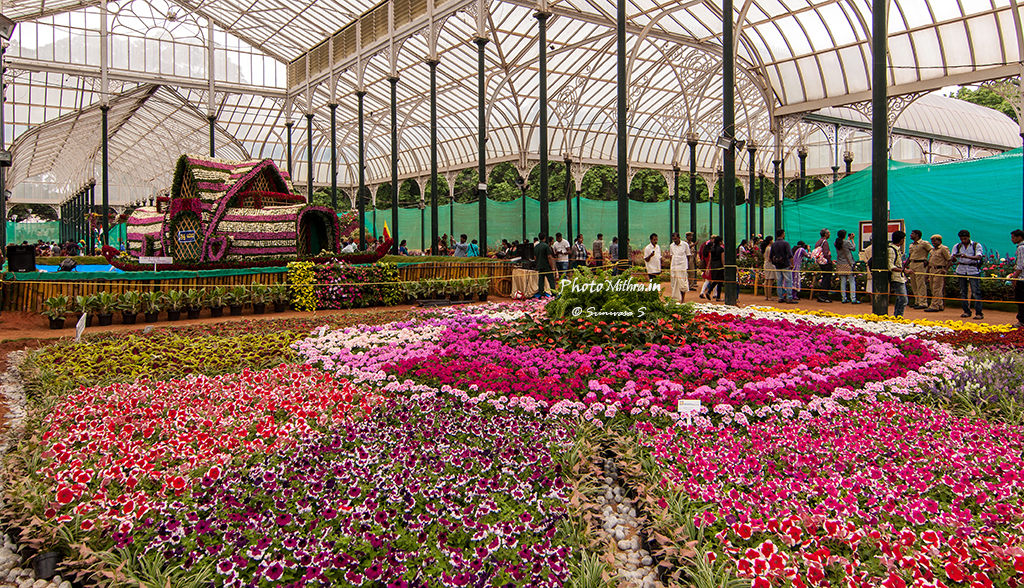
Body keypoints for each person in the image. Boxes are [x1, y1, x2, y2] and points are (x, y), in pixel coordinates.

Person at [952, 229, 984, 319]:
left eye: (965, 238)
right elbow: (953, 258)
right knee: (963, 291)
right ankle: (966, 311)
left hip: (973, 269)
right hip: (961, 269)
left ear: (969, 237)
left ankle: (979, 313)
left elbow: (979, 256)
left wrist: (967, 256)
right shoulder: (957, 246)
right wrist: (954, 257)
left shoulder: (976, 245)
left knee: (976, 292)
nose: (963, 240)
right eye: (962, 239)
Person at [924, 235, 952, 313]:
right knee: (933, 288)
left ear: (939, 241)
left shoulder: (943, 249)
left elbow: (949, 260)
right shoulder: (932, 250)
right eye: (932, 241)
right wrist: (927, 273)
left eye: (935, 241)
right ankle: (940, 304)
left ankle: (934, 305)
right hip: (932, 270)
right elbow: (930, 262)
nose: (933, 243)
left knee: (937, 288)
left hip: (939, 270)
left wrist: (945, 270)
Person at [888, 230, 913, 318]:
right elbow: (890, 266)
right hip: (896, 277)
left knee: (900, 299)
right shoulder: (891, 250)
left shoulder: (896, 249)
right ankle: (898, 316)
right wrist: (903, 270)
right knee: (903, 299)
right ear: (901, 240)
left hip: (899, 277)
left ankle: (897, 316)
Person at [907, 230, 933, 309]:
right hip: (912, 263)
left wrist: (928, 261)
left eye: (912, 234)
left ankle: (923, 302)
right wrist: (905, 265)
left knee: (920, 283)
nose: (910, 235)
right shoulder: (911, 245)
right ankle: (917, 301)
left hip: (920, 263)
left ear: (917, 235)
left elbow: (932, 252)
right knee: (913, 283)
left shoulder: (924, 243)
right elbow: (910, 256)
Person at [770, 229, 795, 303]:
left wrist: (775, 262)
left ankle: (780, 297)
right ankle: (789, 297)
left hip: (778, 265)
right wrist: (792, 264)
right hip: (785, 264)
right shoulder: (786, 243)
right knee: (788, 281)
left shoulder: (774, 244)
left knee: (779, 281)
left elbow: (771, 256)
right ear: (782, 234)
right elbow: (790, 255)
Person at [834, 229, 857, 303]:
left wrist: (848, 239)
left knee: (843, 281)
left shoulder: (836, 243)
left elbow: (843, 244)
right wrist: (852, 240)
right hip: (848, 263)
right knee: (851, 281)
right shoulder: (847, 243)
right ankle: (853, 298)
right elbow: (853, 248)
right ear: (844, 235)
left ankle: (844, 298)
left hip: (840, 263)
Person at [533, 232, 557, 297]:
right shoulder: (546, 246)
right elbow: (549, 257)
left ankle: (541, 294)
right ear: (545, 238)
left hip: (540, 266)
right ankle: (553, 293)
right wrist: (552, 267)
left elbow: (535, 258)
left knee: (541, 281)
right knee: (551, 280)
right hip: (547, 266)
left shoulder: (536, 247)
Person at [813, 228, 833, 303]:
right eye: (828, 233)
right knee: (827, 279)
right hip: (825, 263)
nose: (829, 234)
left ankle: (822, 295)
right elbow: (826, 253)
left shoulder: (818, 242)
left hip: (820, 262)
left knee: (825, 278)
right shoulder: (825, 242)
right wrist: (829, 261)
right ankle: (823, 296)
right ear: (825, 234)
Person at [1009, 230, 1024, 328]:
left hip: (1022, 278)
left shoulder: (1021, 248)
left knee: (1020, 300)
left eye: (1013, 237)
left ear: (1019, 237)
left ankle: (1022, 321)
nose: (1012, 239)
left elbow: (1021, 265)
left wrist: (1015, 278)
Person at [669, 232, 690, 302]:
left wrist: (686, 266)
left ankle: (683, 300)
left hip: (682, 268)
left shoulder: (685, 245)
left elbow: (688, 256)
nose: (674, 240)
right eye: (673, 239)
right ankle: (675, 300)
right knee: (674, 284)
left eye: (675, 239)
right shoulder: (671, 246)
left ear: (679, 238)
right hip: (674, 267)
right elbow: (671, 256)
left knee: (682, 284)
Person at [760, 236, 775, 300]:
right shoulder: (769, 248)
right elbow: (769, 258)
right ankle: (769, 296)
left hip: (766, 264)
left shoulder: (765, 248)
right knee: (770, 280)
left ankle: (767, 296)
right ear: (770, 241)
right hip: (770, 265)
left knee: (766, 280)